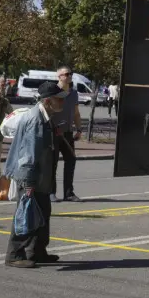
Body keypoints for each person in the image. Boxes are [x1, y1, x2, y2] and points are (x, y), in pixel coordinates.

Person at [3, 81, 65, 268]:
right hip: (31, 177)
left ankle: (36, 251)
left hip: (41, 177)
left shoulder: (45, 116)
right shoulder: (36, 120)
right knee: (26, 215)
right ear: (47, 101)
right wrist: (29, 182)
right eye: (58, 99)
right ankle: (14, 255)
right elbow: (28, 155)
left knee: (43, 213)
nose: (62, 102)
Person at [50, 67, 82, 202]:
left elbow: (76, 112)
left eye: (71, 74)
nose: (69, 76)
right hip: (54, 133)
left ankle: (69, 193)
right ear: (59, 77)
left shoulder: (74, 93)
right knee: (52, 163)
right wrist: (51, 127)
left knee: (71, 160)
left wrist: (79, 129)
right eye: (67, 74)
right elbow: (46, 112)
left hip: (68, 133)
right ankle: (50, 192)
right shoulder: (52, 92)